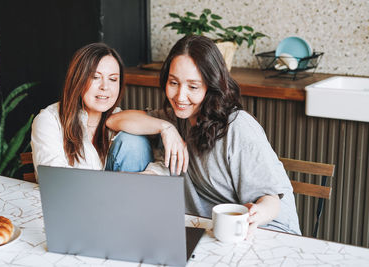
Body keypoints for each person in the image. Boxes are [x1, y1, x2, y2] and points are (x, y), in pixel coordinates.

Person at [107, 35, 301, 237]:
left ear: (211, 86)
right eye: (173, 83)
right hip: (208, 232)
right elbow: (114, 120)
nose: (180, 97)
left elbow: (272, 201)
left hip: (266, 231)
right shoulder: (177, 118)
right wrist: (166, 128)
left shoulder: (238, 126)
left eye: (193, 87)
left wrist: (255, 214)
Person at [31, 43, 153, 179]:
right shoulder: (49, 120)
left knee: (134, 140)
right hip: (74, 197)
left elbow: (164, 162)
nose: (105, 87)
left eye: (113, 79)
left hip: (122, 196)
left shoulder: (120, 119)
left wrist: (167, 128)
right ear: (78, 79)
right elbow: (55, 180)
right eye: (95, 77)